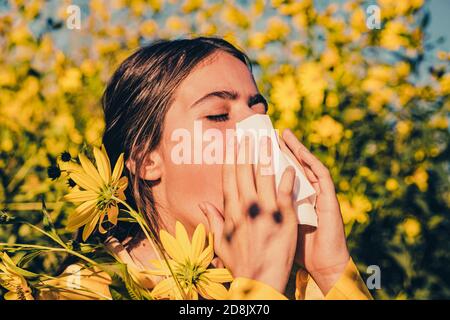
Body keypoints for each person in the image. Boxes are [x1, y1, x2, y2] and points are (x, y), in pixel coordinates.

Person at [101, 36, 372, 300]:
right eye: (218, 115)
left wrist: (331, 271)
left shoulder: (296, 280)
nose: (257, 133)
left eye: (260, 113)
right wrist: (259, 286)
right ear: (146, 158)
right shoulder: (87, 289)